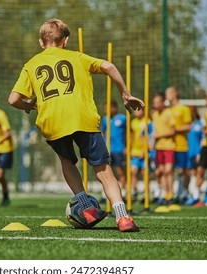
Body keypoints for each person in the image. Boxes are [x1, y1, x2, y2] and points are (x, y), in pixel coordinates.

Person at [8, 18, 144, 232]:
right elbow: (109, 66)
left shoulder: (31, 64)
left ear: (41, 43)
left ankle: (84, 206)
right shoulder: (77, 57)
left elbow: (13, 99)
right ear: (65, 40)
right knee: (103, 170)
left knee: (67, 161)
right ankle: (123, 217)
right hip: (83, 118)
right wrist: (125, 95)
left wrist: (27, 105)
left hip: (52, 121)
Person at [165, 87, 192, 203]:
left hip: (181, 145)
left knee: (183, 170)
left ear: (175, 93)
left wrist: (173, 130)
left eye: (169, 93)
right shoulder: (167, 110)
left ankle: (184, 192)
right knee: (168, 170)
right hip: (167, 145)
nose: (167, 96)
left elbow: (188, 126)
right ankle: (170, 194)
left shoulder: (184, 109)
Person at [151, 93, 176, 204]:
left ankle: (171, 194)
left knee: (168, 170)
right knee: (162, 171)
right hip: (159, 147)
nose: (155, 105)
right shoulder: (155, 115)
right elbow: (155, 131)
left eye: (157, 102)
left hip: (169, 146)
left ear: (162, 102)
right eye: (154, 103)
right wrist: (152, 141)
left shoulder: (169, 113)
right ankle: (166, 194)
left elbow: (172, 131)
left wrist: (159, 136)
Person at [100, 100, 127, 198]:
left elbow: (129, 132)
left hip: (119, 149)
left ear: (114, 108)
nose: (106, 110)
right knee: (107, 171)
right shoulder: (105, 119)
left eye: (108, 108)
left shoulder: (123, 118)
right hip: (108, 150)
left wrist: (128, 146)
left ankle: (123, 191)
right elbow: (102, 132)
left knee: (120, 171)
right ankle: (106, 193)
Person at [184, 106, 204, 205]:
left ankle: (195, 195)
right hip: (186, 152)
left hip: (196, 153)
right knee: (187, 173)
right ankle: (187, 194)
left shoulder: (200, 124)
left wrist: (200, 152)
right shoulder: (185, 125)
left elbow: (203, 139)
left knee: (198, 172)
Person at [130, 109, 146, 202]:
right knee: (133, 171)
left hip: (144, 151)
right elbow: (131, 136)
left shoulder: (147, 122)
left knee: (145, 173)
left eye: (138, 110)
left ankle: (145, 193)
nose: (136, 112)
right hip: (135, 151)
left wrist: (145, 151)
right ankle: (134, 192)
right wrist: (130, 149)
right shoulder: (133, 122)